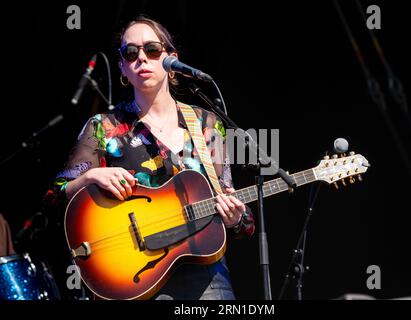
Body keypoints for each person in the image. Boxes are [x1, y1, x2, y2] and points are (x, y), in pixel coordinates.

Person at [44, 15, 255, 300]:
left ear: (171, 60)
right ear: (122, 68)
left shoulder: (205, 122)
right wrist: (89, 177)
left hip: (207, 279)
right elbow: (55, 197)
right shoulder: (103, 127)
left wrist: (236, 217)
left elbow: (236, 210)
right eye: (131, 53)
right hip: (136, 277)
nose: (141, 58)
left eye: (152, 50)